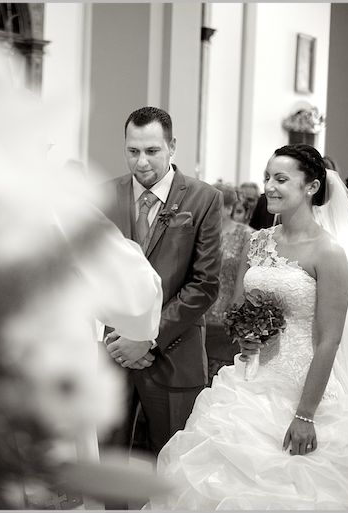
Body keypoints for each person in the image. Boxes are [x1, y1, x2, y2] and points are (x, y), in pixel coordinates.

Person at [150, 144, 348, 509]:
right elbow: (239, 307)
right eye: (267, 178)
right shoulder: (257, 242)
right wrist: (246, 334)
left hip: (303, 386)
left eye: (281, 179)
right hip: (248, 382)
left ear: (311, 187)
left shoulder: (330, 253)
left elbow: (329, 339)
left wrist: (305, 414)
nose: (269, 186)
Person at [99, 106, 222, 461]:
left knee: (173, 466)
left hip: (173, 353)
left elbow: (204, 285)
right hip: (113, 352)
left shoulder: (203, 199)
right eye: (132, 151)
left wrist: (147, 338)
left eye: (152, 151)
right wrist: (123, 337)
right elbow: (92, 276)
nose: (141, 163)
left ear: (172, 147)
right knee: (108, 467)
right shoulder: (105, 196)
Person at [205, 183, 254, 384]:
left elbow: (248, 279)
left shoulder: (246, 235)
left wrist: (235, 316)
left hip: (228, 315)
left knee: (222, 377)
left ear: (229, 208)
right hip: (200, 313)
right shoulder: (202, 232)